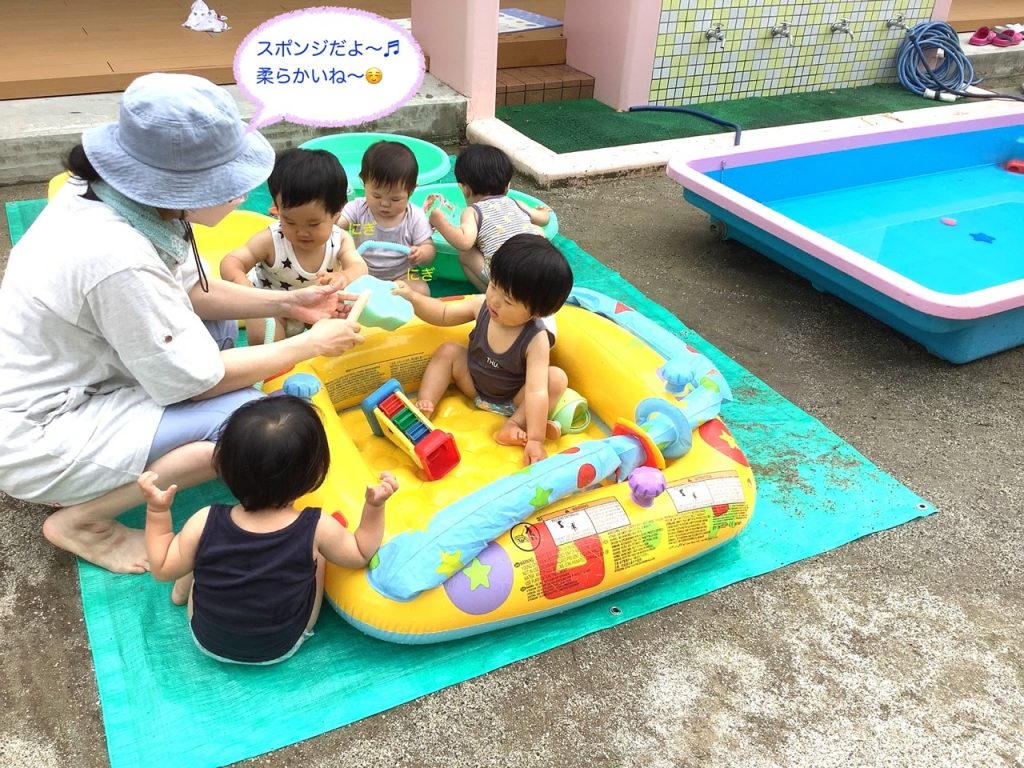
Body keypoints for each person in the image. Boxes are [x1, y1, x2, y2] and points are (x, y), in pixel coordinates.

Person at [0, 73, 364, 575]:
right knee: (250, 424)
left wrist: (293, 304)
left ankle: (143, 455)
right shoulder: (116, 257)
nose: (244, 192)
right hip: (42, 436)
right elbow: (198, 382)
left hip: (81, 379)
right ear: (182, 186)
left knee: (219, 335)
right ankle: (84, 519)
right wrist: (311, 344)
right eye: (230, 182)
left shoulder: (118, 198)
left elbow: (196, 292)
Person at [138, 395, 397, 665]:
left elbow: (162, 568)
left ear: (225, 467)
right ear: (315, 472)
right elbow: (360, 553)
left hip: (208, 641)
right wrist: (374, 507)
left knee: (195, 546)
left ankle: (180, 594)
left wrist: (157, 513)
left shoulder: (204, 521)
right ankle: (303, 620)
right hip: (281, 646)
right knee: (318, 556)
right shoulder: (317, 527)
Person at [393, 234, 573, 465]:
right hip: (474, 385)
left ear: (537, 312)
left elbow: (536, 392)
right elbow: (443, 313)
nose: (495, 300)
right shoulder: (482, 306)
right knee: (448, 351)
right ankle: (425, 405)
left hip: (512, 399)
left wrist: (536, 440)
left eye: (508, 301)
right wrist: (413, 298)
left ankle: (513, 425)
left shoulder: (535, 339)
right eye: (493, 286)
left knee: (555, 379)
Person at [219, 148, 367, 344]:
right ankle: (273, 358)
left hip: (318, 307)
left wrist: (345, 276)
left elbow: (360, 267)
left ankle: (318, 354)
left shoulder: (340, 240)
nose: (301, 232)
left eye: (313, 224)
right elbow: (232, 261)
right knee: (262, 324)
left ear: (336, 214)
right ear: (277, 209)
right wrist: (245, 287)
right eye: (289, 221)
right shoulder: (271, 240)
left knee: (343, 318)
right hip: (274, 309)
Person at [429, 144, 551, 291]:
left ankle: (491, 294)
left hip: (505, 278)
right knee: (536, 229)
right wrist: (543, 211)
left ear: (464, 189)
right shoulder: (517, 203)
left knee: (465, 254)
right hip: (539, 270)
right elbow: (544, 219)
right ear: (508, 186)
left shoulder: (473, 212)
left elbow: (464, 242)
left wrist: (440, 222)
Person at [338, 140, 436, 295]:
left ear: (411, 191)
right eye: (376, 196)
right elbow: (337, 224)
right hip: (361, 272)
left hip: (401, 275)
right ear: (364, 183)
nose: (384, 204)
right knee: (339, 286)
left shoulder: (415, 216)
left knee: (422, 291)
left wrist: (422, 253)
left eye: (395, 199)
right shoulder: (358, 208)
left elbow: (428, 246)